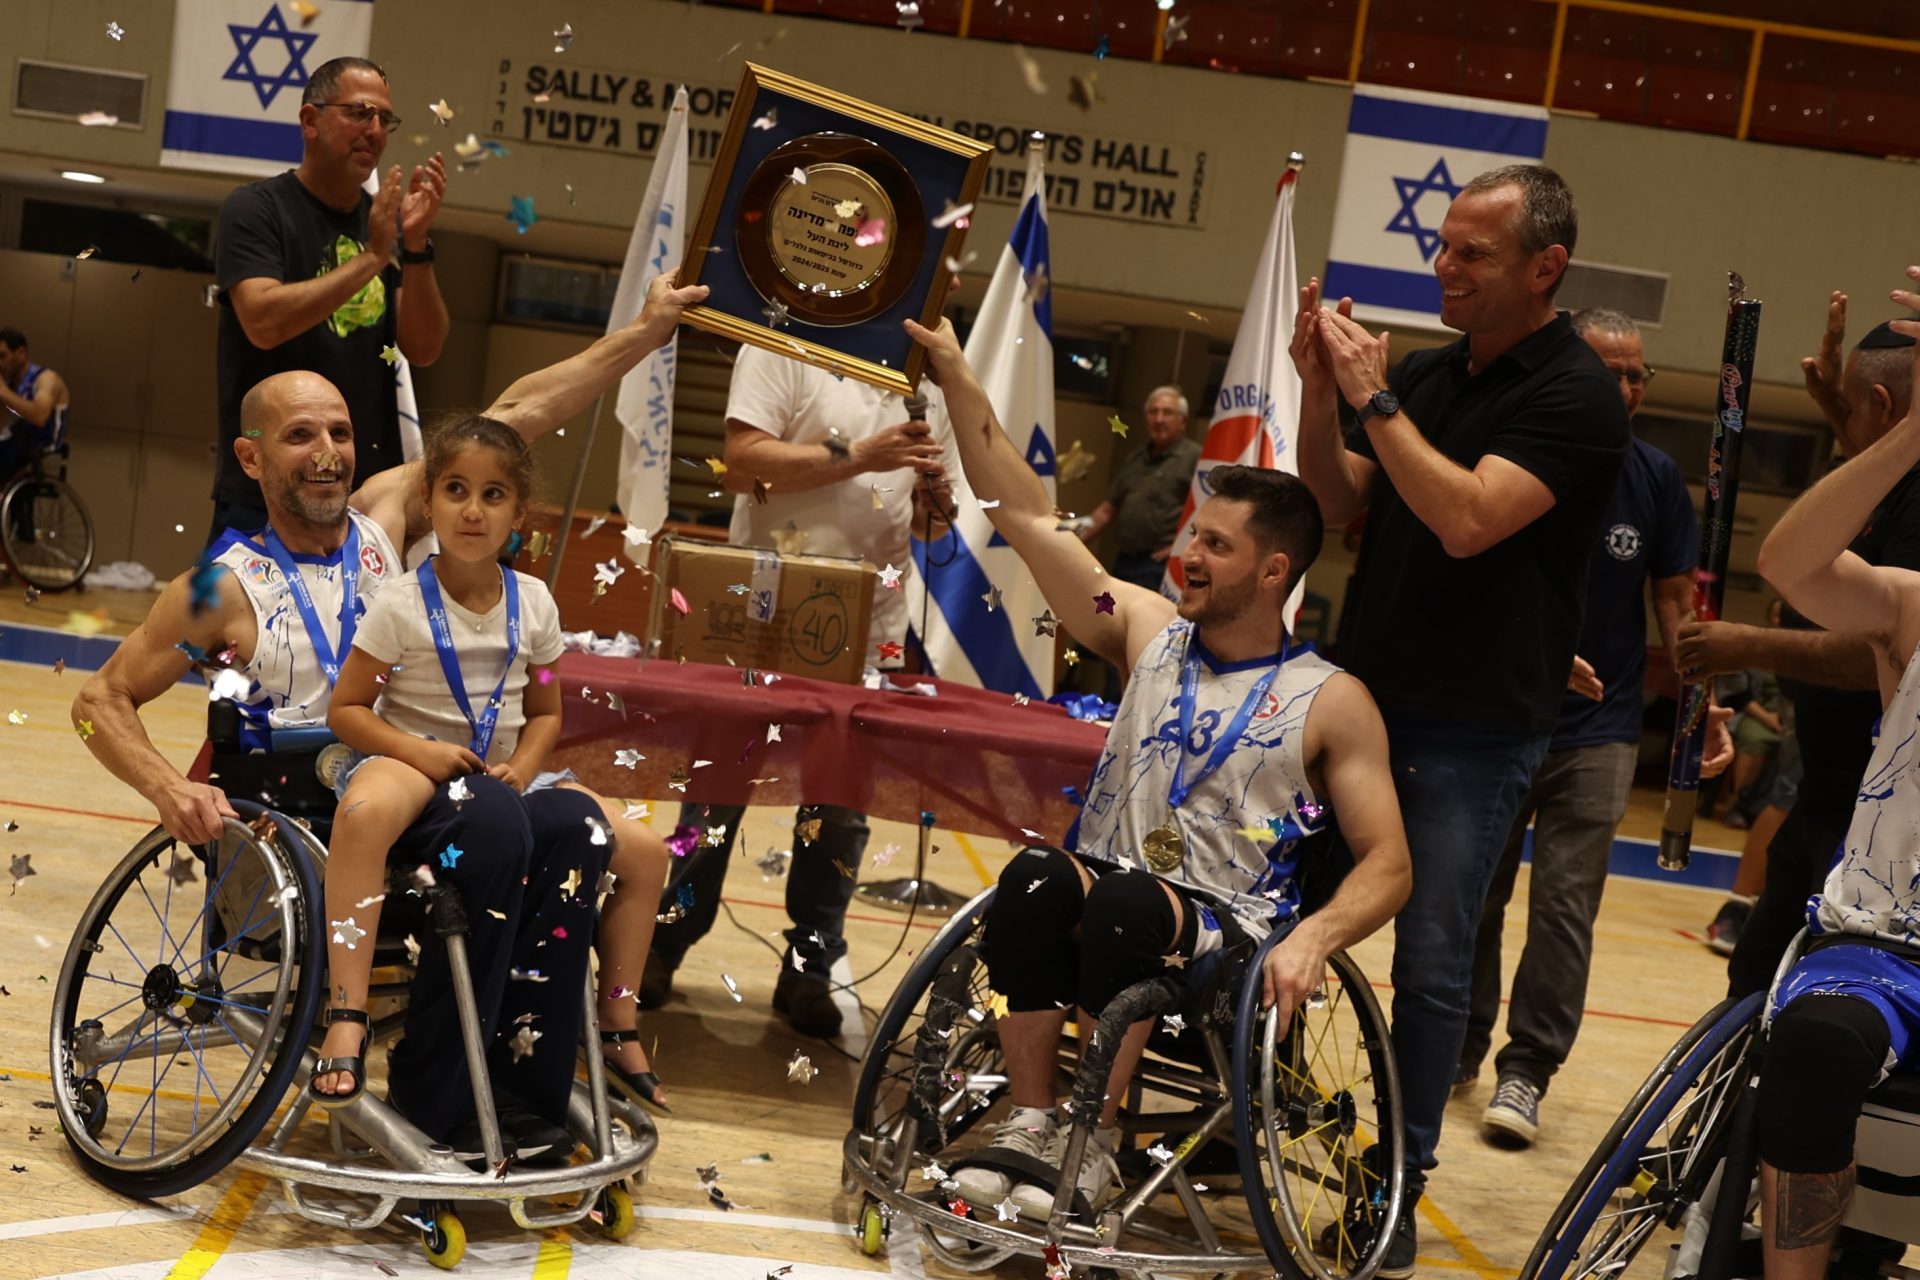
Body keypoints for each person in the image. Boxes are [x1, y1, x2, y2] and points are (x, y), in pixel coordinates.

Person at [73, 272, 705, 1156]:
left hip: (430, 771)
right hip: (311, 803)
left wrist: (643, 331)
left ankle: (533, 1062)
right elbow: (98, 700)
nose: (328, 451)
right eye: (300, 435)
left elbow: (517, 416)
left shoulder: (381, 518)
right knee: (487, 828)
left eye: (339, 431)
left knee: (614, 843)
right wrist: (167, 790)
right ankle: (439, 1084)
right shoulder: (218, 589)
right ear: (251, 458)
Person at [904, 313, 1412, 1219]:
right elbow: (1025, 515)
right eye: (1192, 536)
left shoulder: (1333, 700)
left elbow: (1389, 863)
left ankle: (1093, 1141)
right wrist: (955, 374)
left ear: (1274, 572)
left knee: (1131, 906)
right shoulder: (1142, 627)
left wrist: (1316, 938)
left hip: (1225, 929)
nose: (1188, 557)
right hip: (1109, 882)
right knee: (1033, 879)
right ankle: (1033, 1121)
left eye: (1215, 546)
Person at [1290, 163, 1631, 1273]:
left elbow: (1468, 519)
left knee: (1433, 963)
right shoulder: (1434, 373)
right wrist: (1319, 392)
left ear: (1545, 267)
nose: (1444, 266)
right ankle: (1257, 1112)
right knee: (1278, 910)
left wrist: (1375, 401)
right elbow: (1336, 500)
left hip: (1475, 727)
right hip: (1360, 706)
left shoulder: (1576, 393)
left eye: (1471, 253)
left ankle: (1396, 1182)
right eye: (1440, 245)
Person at [316, 417, 670, 1116]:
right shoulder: (399, 603)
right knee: (361, 812)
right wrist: (419, 751)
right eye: (455, 490)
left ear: (519, 514)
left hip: (504, 774)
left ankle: (615, 1023)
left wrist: (526, 766)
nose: (473, 511)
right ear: (428, 501)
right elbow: (347, 710)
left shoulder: (535, 602)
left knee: (648, 854)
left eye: (493, 495)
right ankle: (347, 1013)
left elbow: (546, 714)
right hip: (414, 758)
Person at [640, 343, 952, 1039]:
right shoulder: (782, 346)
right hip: (764, 609)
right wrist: (863, 455)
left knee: (840, 809)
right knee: (715, 790)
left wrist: (936, 505)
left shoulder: (926, 383)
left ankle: (810, 967)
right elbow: (743, 460)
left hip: (872, 625)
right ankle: (666, 940)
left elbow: (927, 520)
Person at [1459, 307, 1699, 1149]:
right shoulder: (1510, 457)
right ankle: (1457, 1043)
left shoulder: (1657, 478)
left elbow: (1676, 603)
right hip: (1499, 715)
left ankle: (1527, 1069)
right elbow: (1467, 577)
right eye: (1611, 371)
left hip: (1602, 730)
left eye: (1638, 375)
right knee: (1474, 893)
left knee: (1566, 905)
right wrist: (1535, 648)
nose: (1627, 388)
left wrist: (1703, 704)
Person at [1742, 265, 1920, 1280]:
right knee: (1812, 1044)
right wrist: (1911, 433)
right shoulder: (1915, 607)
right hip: (1891, 943)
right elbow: (1791, 565)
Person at [1675, 300, 1920, 996]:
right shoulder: (1890, 480)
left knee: (1811, 1002)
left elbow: (1885, 651)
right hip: (1830, 791)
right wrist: (1844, 412)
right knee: (1756, 984)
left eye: (1855, 406)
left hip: (1875, 819)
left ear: (1883, 404)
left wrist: (1751, 644)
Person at [210, 55, 448, 539]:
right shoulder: (256, 209)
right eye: (359, 113)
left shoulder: (382, 223)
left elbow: (424, 348)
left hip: (364, 492)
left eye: (385, 119)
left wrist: (416, 246)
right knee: (226, 593)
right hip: (268, 490)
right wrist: (373, 257)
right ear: (310, 121)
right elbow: (263, 321)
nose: (375, 130)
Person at [1078, 385, 1202, 592]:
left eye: (1167, 412)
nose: (1159, 419)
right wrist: (1074, 540)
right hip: (1124, 559)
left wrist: (1180, 548)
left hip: (1160, 565)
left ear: (1183, 421)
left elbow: (1209, 511)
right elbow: (1106, 510)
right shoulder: (1136, 458)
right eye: (1153, 411)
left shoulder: (1195, 458)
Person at [0, 326, 70, 478]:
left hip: (41, 447)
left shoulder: (46, 379)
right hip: (17, 444)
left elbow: (40, 416)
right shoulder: (11, 386)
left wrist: (3, 392)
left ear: (21, 353)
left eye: (2, 356)